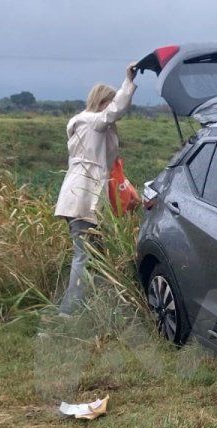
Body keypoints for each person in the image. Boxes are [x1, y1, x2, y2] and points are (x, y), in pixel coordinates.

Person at [53, 63, 137, 315]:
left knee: (96, 253)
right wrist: (129, 81)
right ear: (102, 103)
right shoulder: (93, 122)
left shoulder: (87, 126)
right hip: (82, 197)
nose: (111, 109)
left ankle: (98, 306)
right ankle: (67, 313)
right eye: (108, 103)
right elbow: (116, 110)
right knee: (83, 256)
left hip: (77, 196)